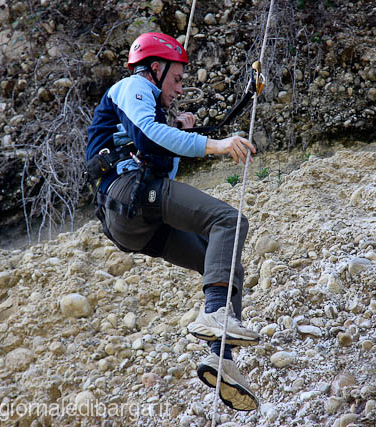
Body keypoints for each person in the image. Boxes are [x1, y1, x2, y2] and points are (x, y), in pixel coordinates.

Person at [86, 32, 260, 411]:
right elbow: (149, 135)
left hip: (134, 223)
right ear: (155, 68)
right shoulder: (133, 85)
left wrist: (179, 130)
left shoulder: (147, 108)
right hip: (129, 195)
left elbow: (159, 153)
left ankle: (222, 360)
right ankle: (217, 317)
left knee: (224, 261)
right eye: (177, 79)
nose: (180, 88)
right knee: (229, 221)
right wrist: (215, 145)